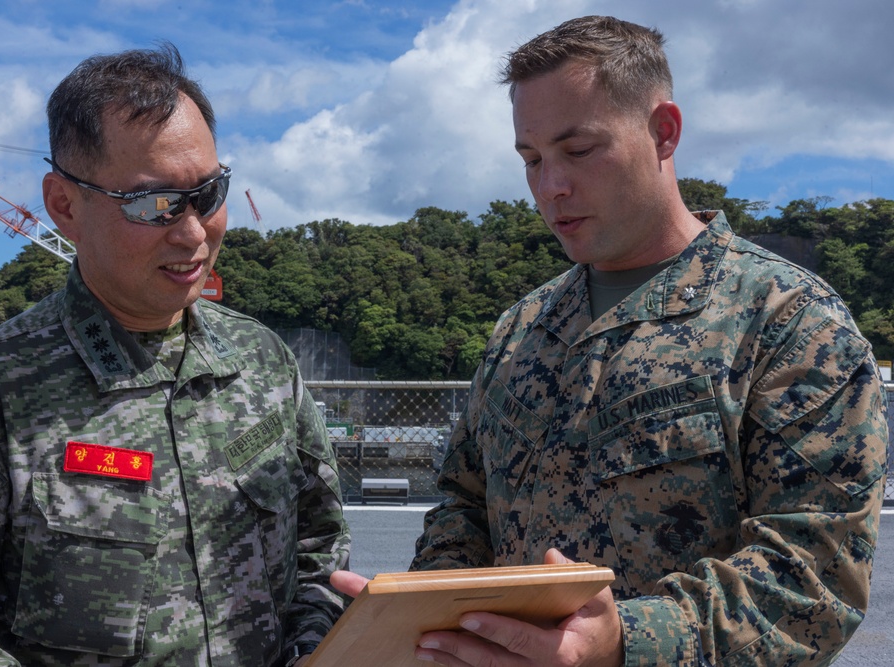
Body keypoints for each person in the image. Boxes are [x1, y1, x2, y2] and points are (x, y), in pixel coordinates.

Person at [332, 15, 889, 667]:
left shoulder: (787, 320)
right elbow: (464, 503)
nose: (550, 187)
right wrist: (417, 611)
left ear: (663, 132)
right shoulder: (523, 328)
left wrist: (625, 639)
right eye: (532, 159)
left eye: (579, 150)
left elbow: (815, 579)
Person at [0, 44, 349, 666]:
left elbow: (319, 550)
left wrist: (315, 649)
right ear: (64, 206)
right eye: (154, 203)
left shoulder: (262, 361)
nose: (193, 232)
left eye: (209, 193)